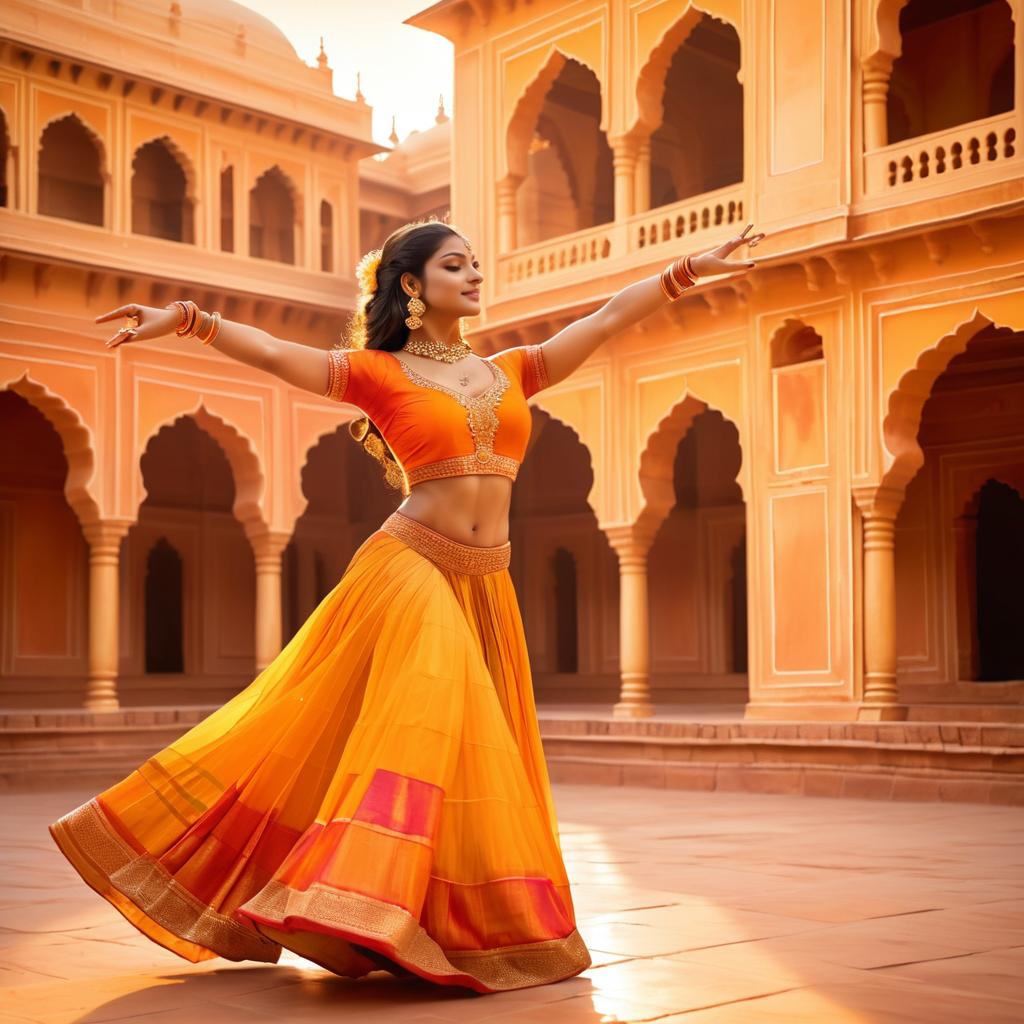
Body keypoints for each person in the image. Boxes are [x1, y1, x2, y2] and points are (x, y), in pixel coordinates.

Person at [48, 217, 764, 994]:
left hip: (487, 581)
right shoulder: (377, 373)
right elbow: (273, 353)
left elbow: (603, 318)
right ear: (413, 286)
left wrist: (688, 268)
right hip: (411, 565)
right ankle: (357, 901)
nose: (474, 275)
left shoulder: (512, 370)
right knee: (425, 715)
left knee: (467, 751)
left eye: (477, 263)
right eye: (456, 265)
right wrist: (188, 320)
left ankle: (415, 919)